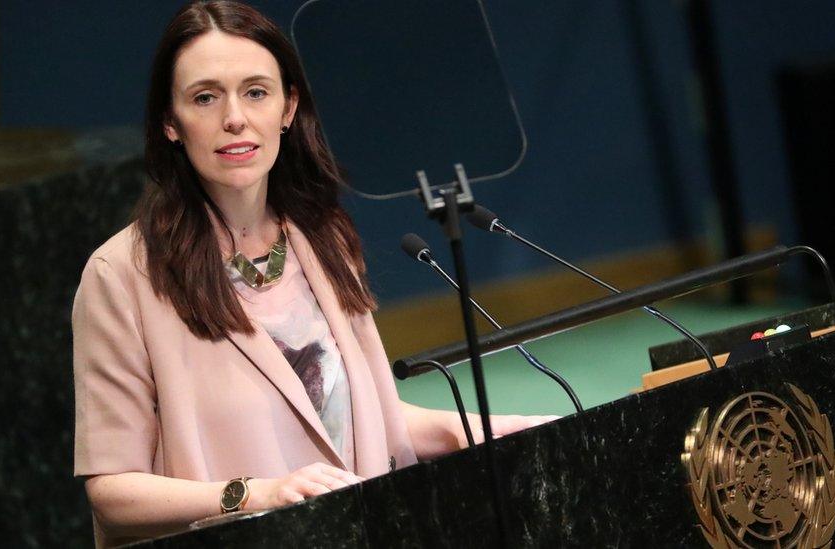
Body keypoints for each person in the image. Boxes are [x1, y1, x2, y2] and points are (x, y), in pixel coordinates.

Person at [72, 2, 556, 546]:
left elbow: (349, 412)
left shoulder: (323, 238)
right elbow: (112, 492)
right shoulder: (121, 276)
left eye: (256, 92)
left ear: (287, 106)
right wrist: (255, 495)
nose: (235, 117)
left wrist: (468, 428)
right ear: (170, 122)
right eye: (205, 97)